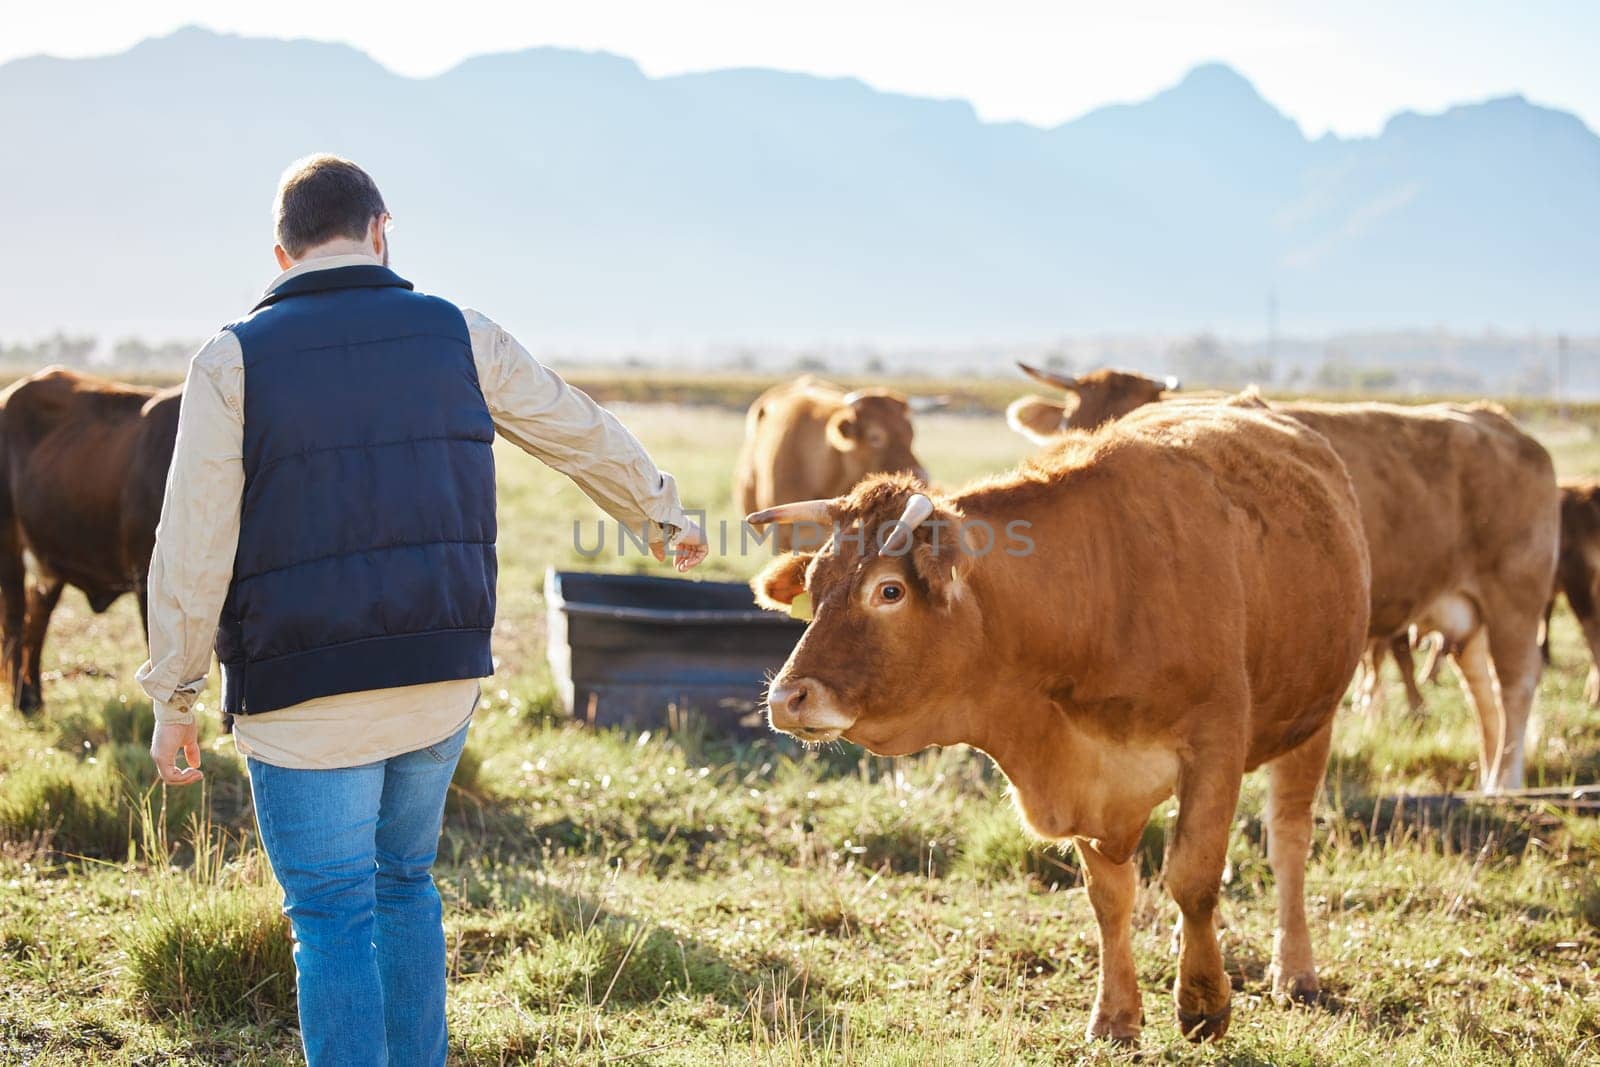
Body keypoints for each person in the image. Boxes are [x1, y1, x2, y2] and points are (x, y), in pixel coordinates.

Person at [137, 153, 707, 1066]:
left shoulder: (231, 359)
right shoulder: (458, 333)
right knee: (405, 886)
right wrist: (660, 513)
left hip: (301, 692)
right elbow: (575, 426)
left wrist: (175, 695)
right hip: (440, 676)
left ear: (280, 255)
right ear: (381, 227)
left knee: (330, 920)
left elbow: (192, 539)